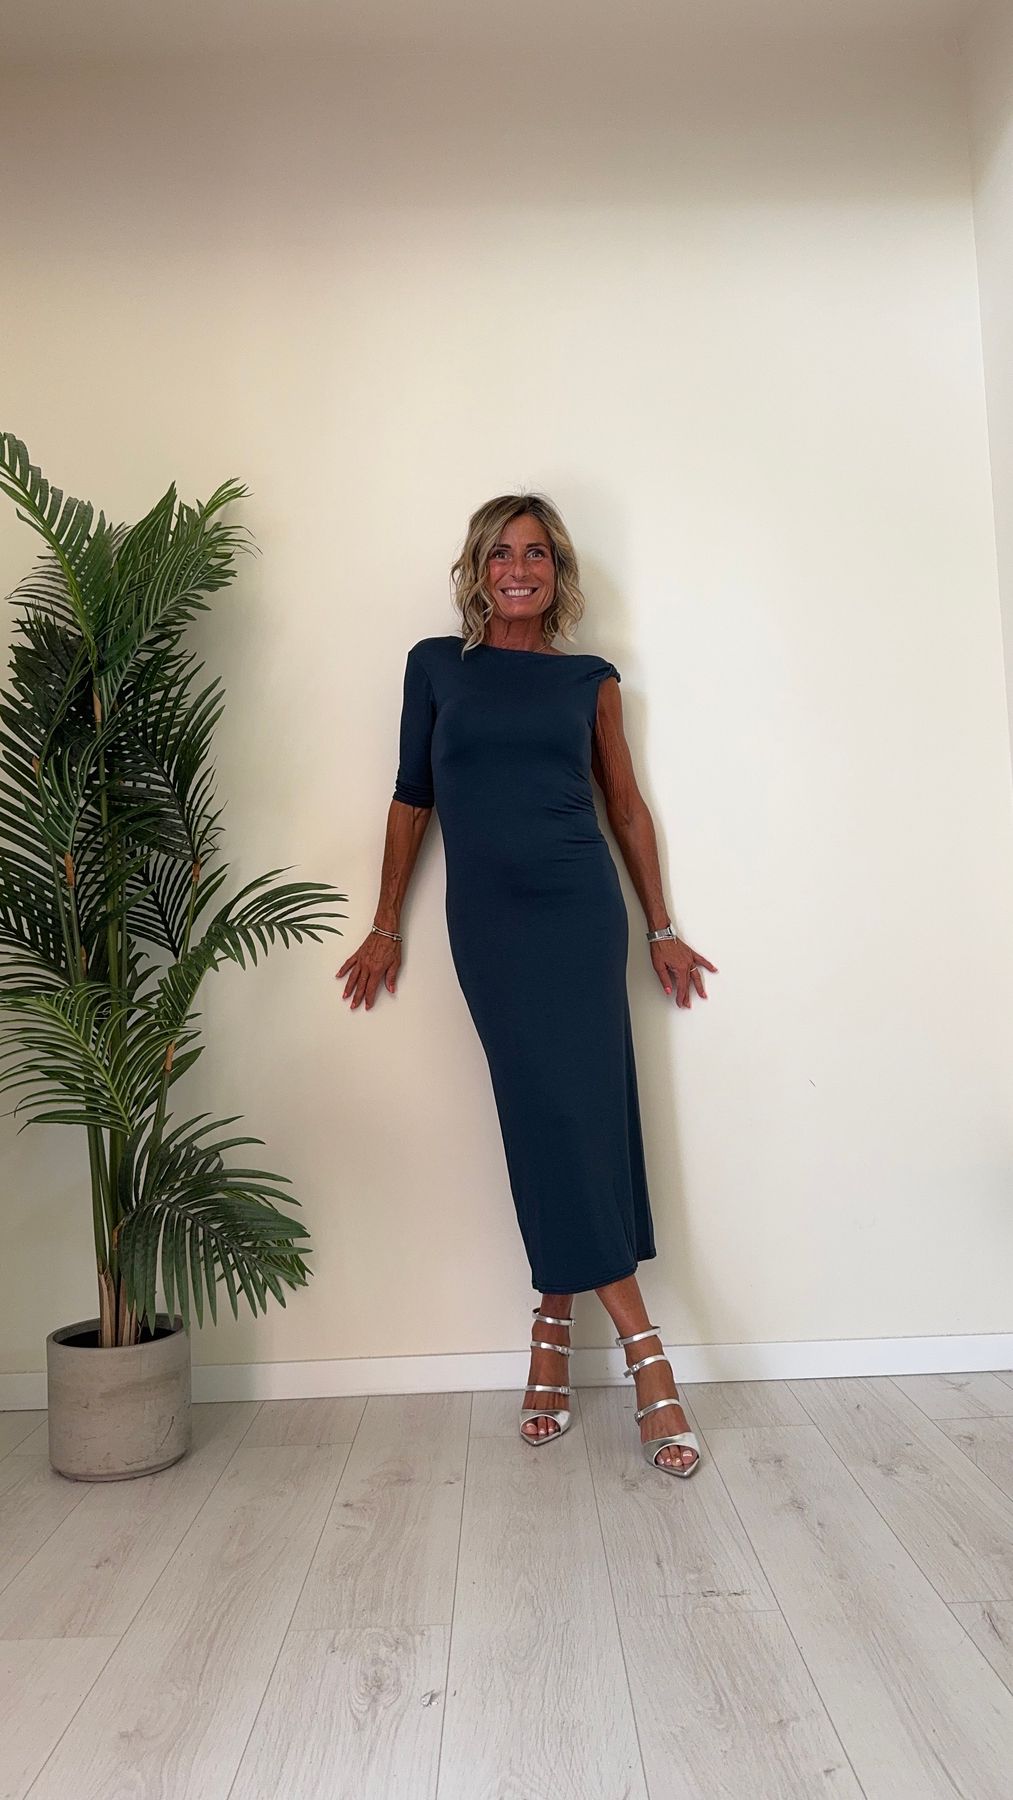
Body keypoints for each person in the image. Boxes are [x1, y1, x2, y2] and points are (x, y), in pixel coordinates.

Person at [337, 494, 717, 1477]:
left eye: (536, 553)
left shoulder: (588, 680)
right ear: (477, 569)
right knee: (545, 1112)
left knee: (577, 1116)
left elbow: (624, 807)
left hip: (579, 914)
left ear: (557, 571)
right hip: (492, 927)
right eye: (501, 553)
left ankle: (557, 1339)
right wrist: (383, 923)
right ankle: (640, 1346)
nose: (518, 568)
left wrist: (661, 927)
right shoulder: (436, 666)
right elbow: (410, 798)